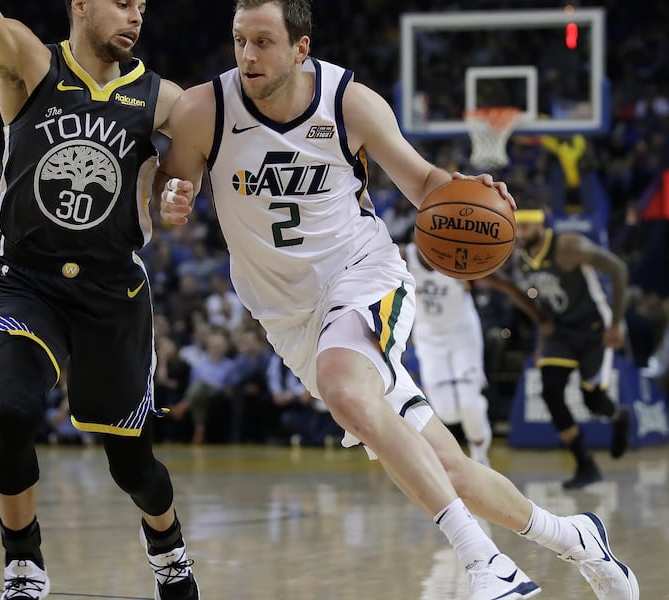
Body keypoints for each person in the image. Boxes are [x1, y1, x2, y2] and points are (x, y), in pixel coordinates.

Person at [155, 2, 639, 598]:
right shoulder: (205, 109)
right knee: (451, 470)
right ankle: (575, 538)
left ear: (300, 49)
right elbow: (175, 188)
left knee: (342, 385)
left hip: (362, 275)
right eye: (239, 41)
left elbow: (422, 182)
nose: (248, 55)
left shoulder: (347, 102)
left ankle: (486, 563)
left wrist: (471, 190)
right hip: (286, 315)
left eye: (263, 42)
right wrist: (174, 200)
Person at [0, 1, 199, 598]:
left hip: (112, 291)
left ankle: (168, 549)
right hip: (27, 280)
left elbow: (195, 160)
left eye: (143, 8)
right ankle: (23, 563)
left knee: (134, 468)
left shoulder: (165, 98)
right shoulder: (30, 63)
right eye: (122, 3)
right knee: (14, 411)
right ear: (81, 4)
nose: (136, 16)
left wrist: (180, 193)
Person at [486, 204, 633, 489]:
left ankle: (618, 416)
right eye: (519, 228)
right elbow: (521, 294)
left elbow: (619, 268)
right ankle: (585, 465)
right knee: (550, 392)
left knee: (591, 400)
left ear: (542, 226)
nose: (523, 234)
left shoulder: (569, 245)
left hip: (594, 330)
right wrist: (541, 321)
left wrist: (616, 324)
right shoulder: (520, 259)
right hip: (561, 331)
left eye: (528, 227)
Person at [401, 242, 493, 466]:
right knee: (446, 413)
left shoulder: (460, 254)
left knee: (469, 405)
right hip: (428, 337)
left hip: (462, 334)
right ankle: (478, 406)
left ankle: (480, 455)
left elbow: (494, 277)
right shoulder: (404, 257)